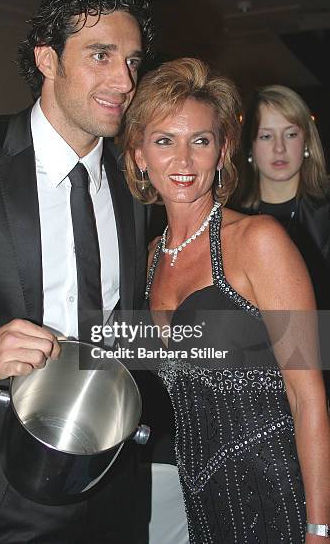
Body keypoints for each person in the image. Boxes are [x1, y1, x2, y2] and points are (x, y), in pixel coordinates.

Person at [0, 0, 153, 543]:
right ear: (48, 59)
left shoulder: (137, 181)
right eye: (102, 55)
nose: (124, 80)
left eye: (132, 60)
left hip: (110, 482)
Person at [122, 58, 330, 543]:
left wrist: (320, 527)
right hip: (201, 497)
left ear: (223, 150)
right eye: (163, 141)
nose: (183, 161)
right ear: (138, 154)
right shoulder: (150, 258)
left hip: (278, 488)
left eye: (200, 140)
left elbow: (308, 396)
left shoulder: (259, 240)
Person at [232, 84, 330, 395]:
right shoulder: (228, 222)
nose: (279, 149)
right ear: (249, 147)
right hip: (253, 388)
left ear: (306, 142)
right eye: (265, 136)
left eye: (290, 134)